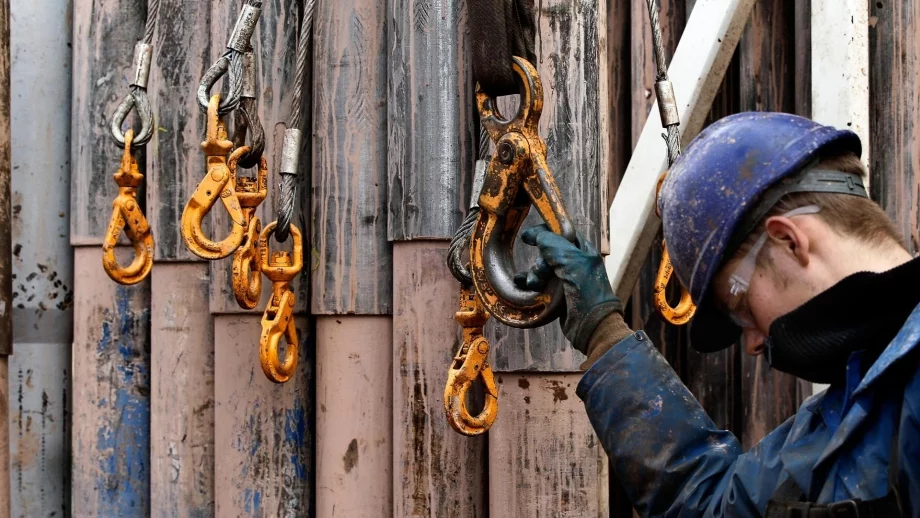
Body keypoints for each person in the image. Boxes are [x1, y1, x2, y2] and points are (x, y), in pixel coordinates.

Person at [519, 112, 919, 517]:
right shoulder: (851, 405)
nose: (753, 342)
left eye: (741, 307)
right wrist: (602, 329)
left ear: (789, 241)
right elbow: (712, 505)